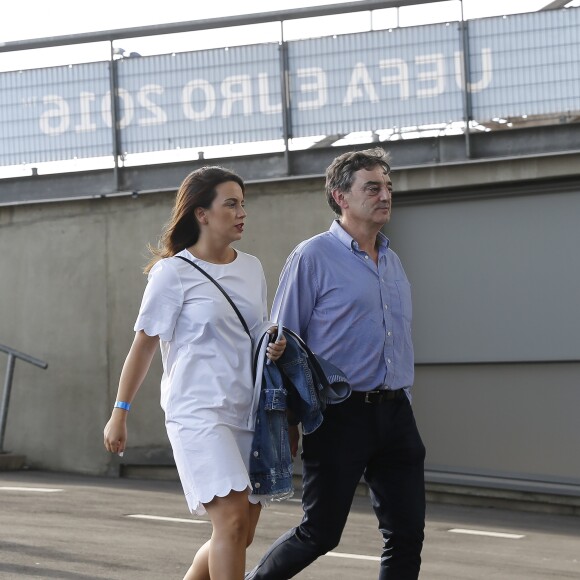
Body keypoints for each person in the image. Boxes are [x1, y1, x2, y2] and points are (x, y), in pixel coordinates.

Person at [246, 147, 426, 580]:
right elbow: (282, 342)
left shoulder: (393, 260)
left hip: (396, 413)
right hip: (338, 415)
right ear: (340, 196)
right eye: (372, 187)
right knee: (320, 532)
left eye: (387, 187)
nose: (384, 195)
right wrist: (287, 422)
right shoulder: (312, 257)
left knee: (406, 534)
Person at [103, 165, 286, 580]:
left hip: (249, 411)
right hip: (198, 414)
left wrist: (272, 341)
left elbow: (256, 331)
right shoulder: (173, 273)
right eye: (231, 204)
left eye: (243, 203)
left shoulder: (252, 267)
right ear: (201, 214)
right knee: (232, 522)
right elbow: (144, 347)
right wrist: (120, 411)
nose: (242, 212)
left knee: (241, 533)